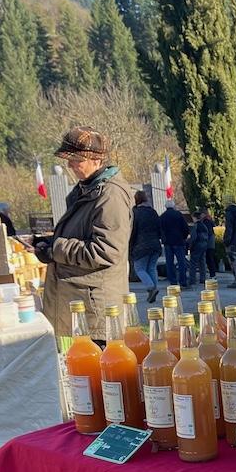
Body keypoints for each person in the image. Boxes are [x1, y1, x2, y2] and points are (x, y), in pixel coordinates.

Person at [33, 127, 134, 341]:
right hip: (85, 303)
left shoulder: (110, 195)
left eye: (75, 159)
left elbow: (106, 251)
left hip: (97, 307)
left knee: (100, 371)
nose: (69, 165)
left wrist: (56, 250)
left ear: (96, 160)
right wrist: (50, 244)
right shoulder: (87, 189)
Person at [130, 190, 163, 303]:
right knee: (151, 267)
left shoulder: (135, 213)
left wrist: (130, 245)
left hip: (141, 246)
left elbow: (133, 230)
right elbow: (159, 228)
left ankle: (151, 287)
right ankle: (154, 289)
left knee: (139, 269)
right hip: (155, 245)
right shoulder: (153, 212)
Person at [160, 199, 191, 287]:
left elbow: (160, 230)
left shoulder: (162, 216)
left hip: (168, 242)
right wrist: (184, 238)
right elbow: (185, 228)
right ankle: (183, 281)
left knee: (169, 263)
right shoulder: (178, 215)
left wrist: (163, 239)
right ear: (174, 206)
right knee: (181, 262)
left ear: (166, 207)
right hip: (179, 241)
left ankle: (173, 281)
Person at [189, 207, 213, 287]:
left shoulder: (195, 226)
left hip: (197, 246)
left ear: (195, 218)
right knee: (202, 262)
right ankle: (203, 279)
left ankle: (192, 280)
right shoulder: (204, 225)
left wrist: (190, 246)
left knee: (193, 263)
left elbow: (193, 237)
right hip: (204, 245)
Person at [201, 207, 219, 280]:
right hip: (211, 243)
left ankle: (212, 274)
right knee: (210, 258)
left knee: (209, 259)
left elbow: (207, 233)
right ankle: (213, 274)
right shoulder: (209, 220)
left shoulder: (206, 222)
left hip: (208, 243)